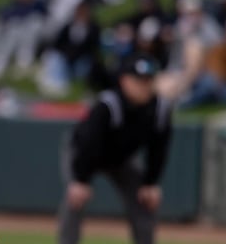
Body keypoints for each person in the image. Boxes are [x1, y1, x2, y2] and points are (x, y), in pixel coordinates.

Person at [58, 52, 172, 244]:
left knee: (144, 200)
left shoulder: (159, 108)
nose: (144, 86)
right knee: (75, 198)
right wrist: (80, 179)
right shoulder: (108, 104)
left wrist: (151, 182)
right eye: (138, 80)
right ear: (124, 81)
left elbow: (159, 147)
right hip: (83, 155)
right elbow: (88, 142)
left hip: (122, 159)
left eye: (148, 80)